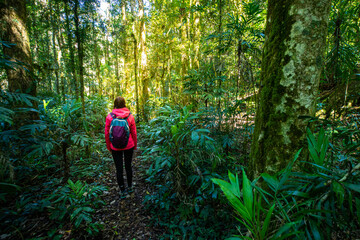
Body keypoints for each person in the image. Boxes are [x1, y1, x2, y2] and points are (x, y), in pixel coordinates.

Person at [105, 96, 137, 198]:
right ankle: (130, 187)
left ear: (114, 104)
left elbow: (106, 134)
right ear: (124, 104)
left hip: (115, 146)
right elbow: (134, 132)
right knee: (128, 166)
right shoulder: (130, 116)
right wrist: (135, 145)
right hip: (129, 145)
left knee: (119, 168)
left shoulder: (110, 117)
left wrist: (109, 146)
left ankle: (122, 190)